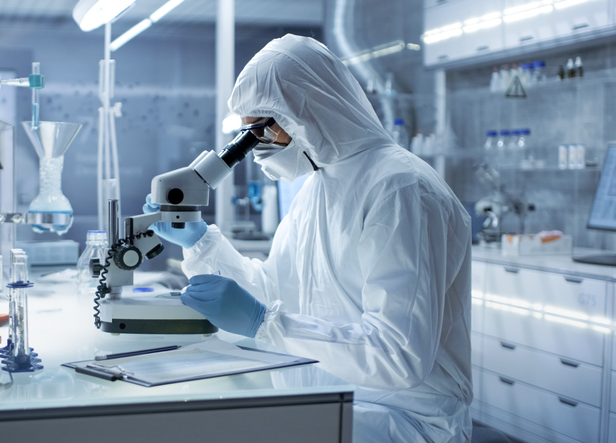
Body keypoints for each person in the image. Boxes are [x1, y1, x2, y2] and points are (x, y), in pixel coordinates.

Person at [144, 34, 472, 442]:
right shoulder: (317, 190)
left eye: (263, 130)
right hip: (329, 405)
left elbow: (397, 355)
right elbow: (274, 293)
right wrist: (201, 244)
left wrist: (264, 323)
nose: (257, 147)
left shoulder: (399, 188)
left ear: (309, 110)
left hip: (401, 421)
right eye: (247, 134)